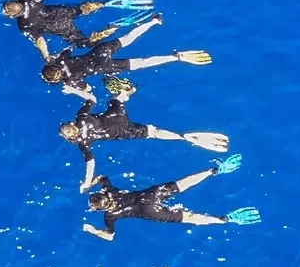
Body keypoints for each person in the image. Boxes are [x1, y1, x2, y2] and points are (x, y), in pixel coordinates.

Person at [59, 78, 229, 189]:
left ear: (71, 137)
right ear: (72, 124)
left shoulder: (83, 143)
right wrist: (73, 91)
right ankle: (128, 91)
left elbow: (91, 163)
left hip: (122, 131)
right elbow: (92, 99)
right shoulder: (80, 118)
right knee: (115, 100)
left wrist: (87, 182)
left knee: (152, 132)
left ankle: (182, 137)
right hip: (117, 117)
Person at [81, 155, 259, 240]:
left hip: (148, 211)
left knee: (189, 217)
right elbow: (103, 177)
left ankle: (225, 219)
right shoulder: (110, 190)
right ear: (103, 194)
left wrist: (92, 230)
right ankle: (214, 170)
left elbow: (110, 236)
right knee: (183, 184)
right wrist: (89, 184)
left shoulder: (110, 217)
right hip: (149, 195)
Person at [41, 16, 212, 100]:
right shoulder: (60, 61)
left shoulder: (69, 81)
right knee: (128, 38)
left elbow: (87, 90)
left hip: (103, 67)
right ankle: (154, 21)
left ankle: (175, 57)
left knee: (141, 63)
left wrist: (76, 90)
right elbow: (69, 48)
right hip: (99, 52)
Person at [2, 0, 154, 59]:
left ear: (14, 15)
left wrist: (46, 56)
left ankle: (108, 30)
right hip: (61, 12)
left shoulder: (23, 24)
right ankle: (101, 5)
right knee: (81, 8)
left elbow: (40, 40)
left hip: (61, 28)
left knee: (85, 44)